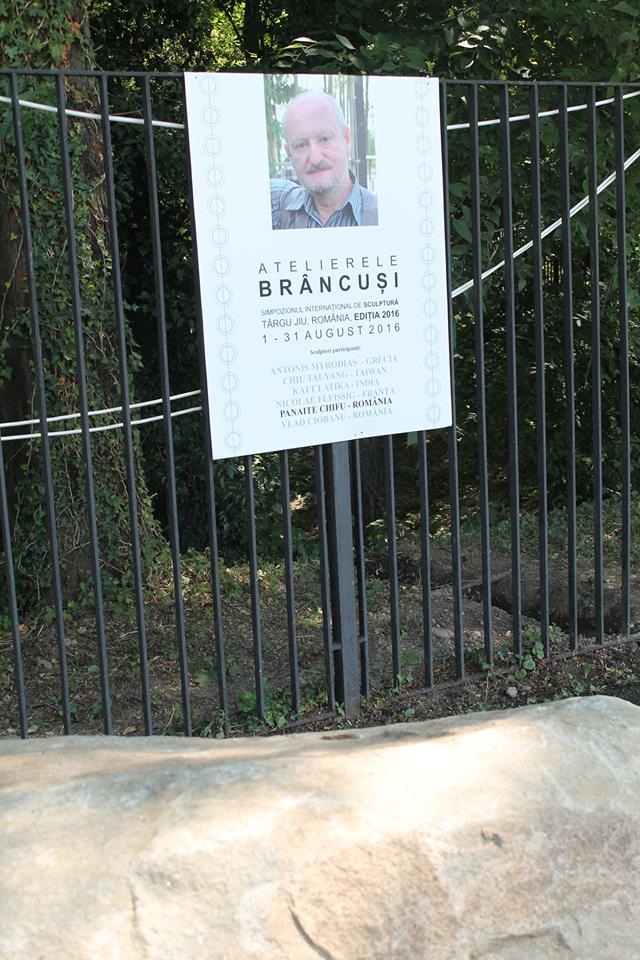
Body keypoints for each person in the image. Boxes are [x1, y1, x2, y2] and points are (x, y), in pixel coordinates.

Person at [270, 91, 378, 229]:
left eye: (324, 139)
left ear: (346, 138)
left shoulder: (384, 218)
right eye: (301, 145)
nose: (315, 158)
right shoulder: (278, 210)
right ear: (289, 154)